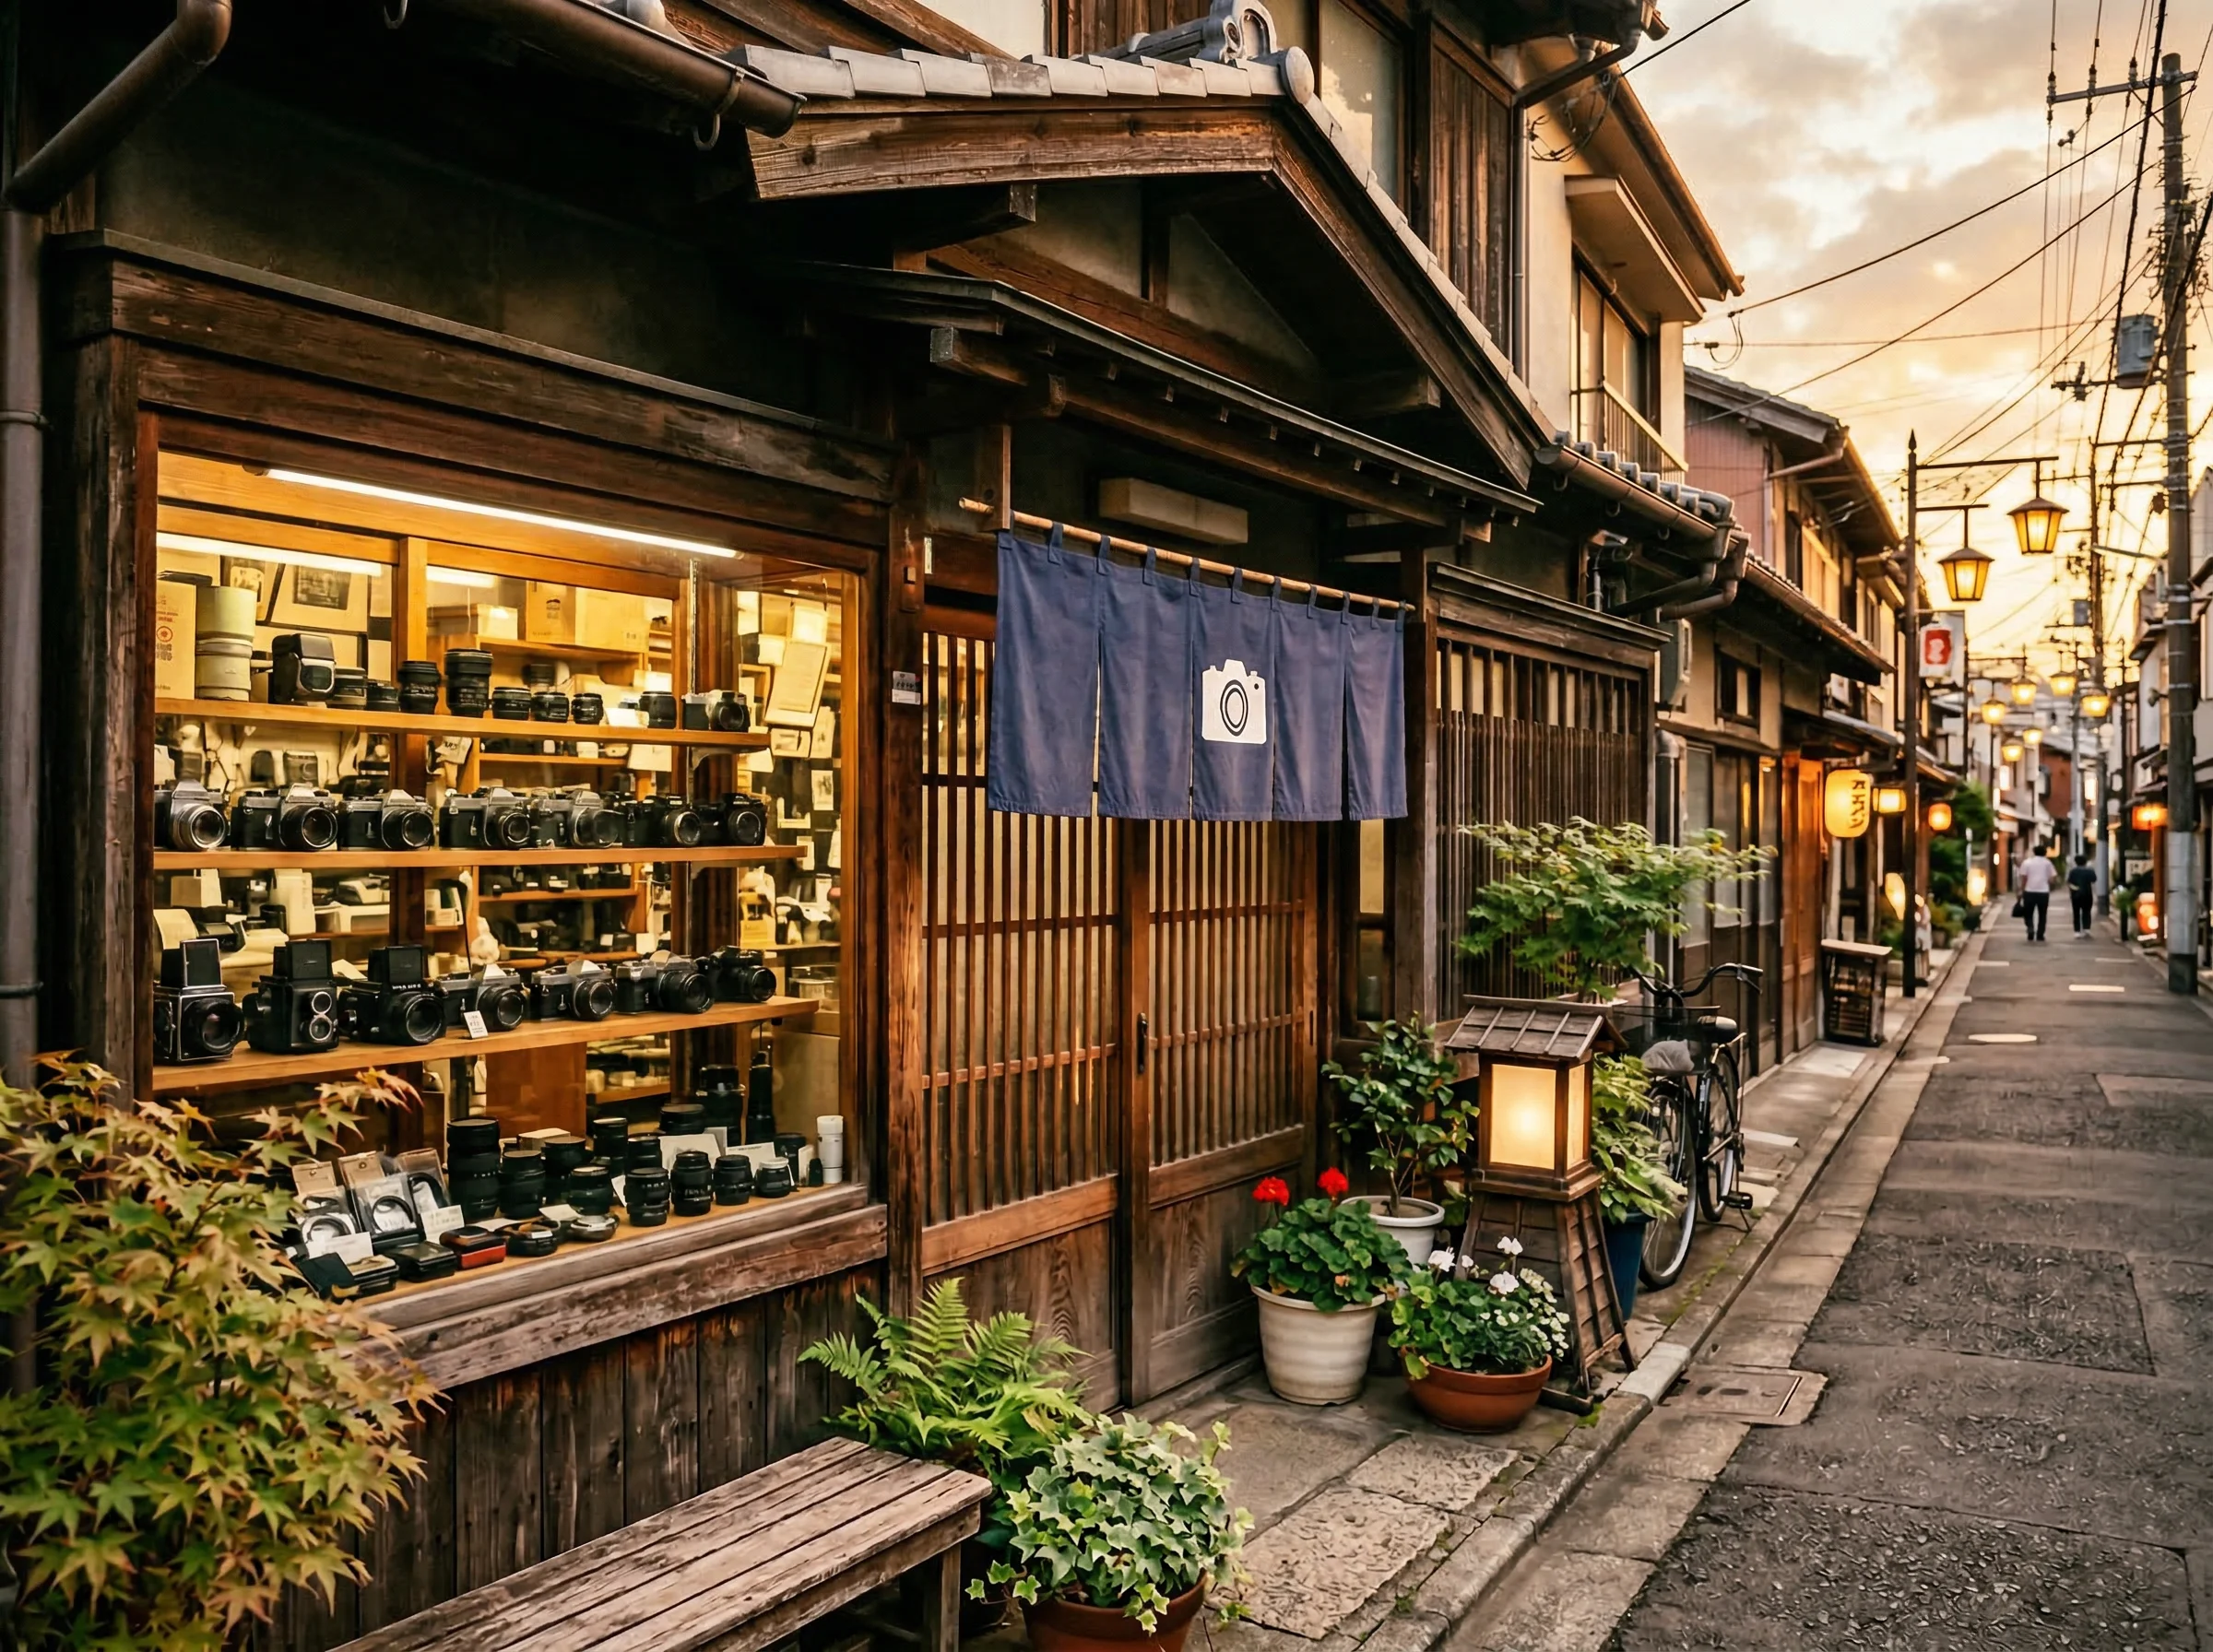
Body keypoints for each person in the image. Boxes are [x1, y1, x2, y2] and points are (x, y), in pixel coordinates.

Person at [2018, 842, 2057, 942]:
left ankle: (2030, 928)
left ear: (2034, 852)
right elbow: (2052, 878)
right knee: (2042, 914)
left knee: (2028, 913)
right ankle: (2040, 934)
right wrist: (2049, 883)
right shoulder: (2048, 863)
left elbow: (2024, 878)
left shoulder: (2027, 862)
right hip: (2043, 892)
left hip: (2029, 891)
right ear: (2045, 853)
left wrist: (2021, 890)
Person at [2068, 851, 2098, 936]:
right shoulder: (2090, 871)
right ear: (2086, 861)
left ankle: (2077, 931)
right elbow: (2094, 879)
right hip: (2087, 893)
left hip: (2075, 894)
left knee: (2076, 912)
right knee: (2087, 911)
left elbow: (2070, 881)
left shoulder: (2073, 871)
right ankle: (2086, 928)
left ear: (2076, 862)